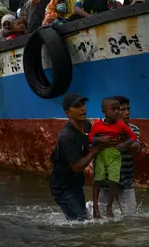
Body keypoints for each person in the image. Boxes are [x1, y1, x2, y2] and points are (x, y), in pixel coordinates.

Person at [49, 93, 105, 221]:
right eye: (77, 106)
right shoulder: (67, 135)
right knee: (79, 222)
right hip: (62, 187)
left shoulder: (86, 124)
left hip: (76, 182)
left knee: (83, 218)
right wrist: (95, 150)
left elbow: (89, 139)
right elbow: (77, 167)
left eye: (83, 105)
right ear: (68, 113)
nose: (83, 108)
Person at [89, 97, 137, 218]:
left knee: (131, 220)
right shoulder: (98, 125)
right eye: (122, 109)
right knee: (103, 222)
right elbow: (89, 141)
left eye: (128, 109)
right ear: (105, 111)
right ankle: (95, 207)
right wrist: (100, 140)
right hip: (105, 183)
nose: (127, 113)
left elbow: (136, 146)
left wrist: (124, 143)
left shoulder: (132, 129)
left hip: (126, 182)